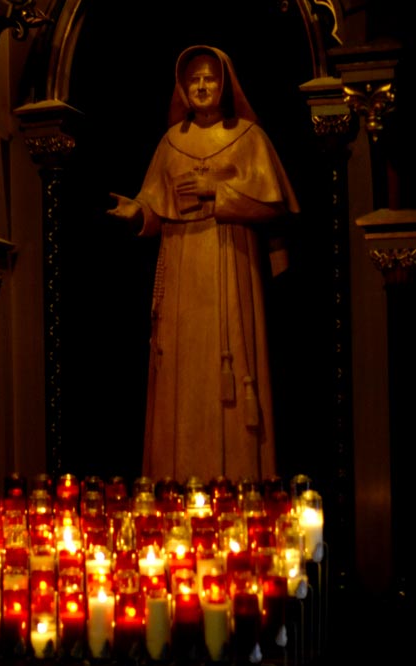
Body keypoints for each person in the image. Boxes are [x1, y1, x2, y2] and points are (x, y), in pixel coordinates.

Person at [107, 45, 300, 485]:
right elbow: (155, 205)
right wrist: (138, 214)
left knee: (228, 378)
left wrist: (218, 192)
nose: (201, 86)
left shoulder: (249, 137)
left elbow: (274, 207)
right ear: (182, 87)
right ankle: (176, 484)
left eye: (209, 78)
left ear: (224, 84)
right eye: (193, 78)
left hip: (231, 265)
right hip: (179, 271)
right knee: (179, 376)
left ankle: (242, 486)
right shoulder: (171, 142)